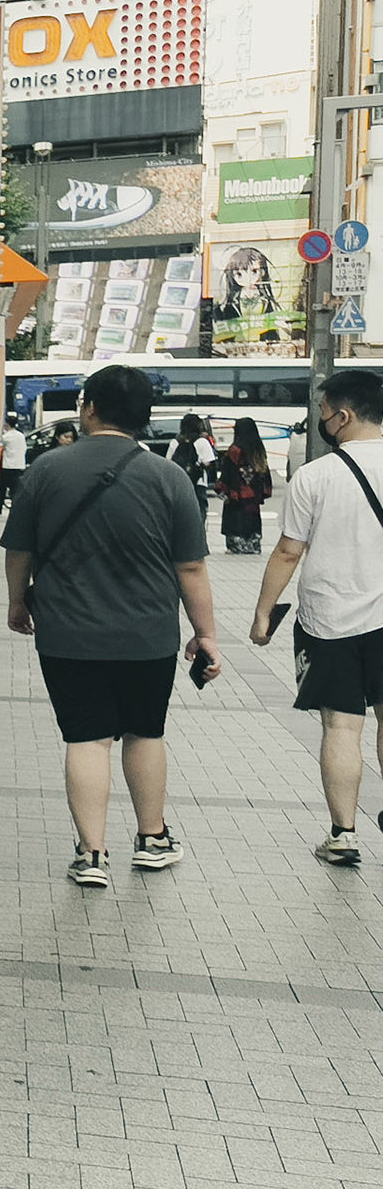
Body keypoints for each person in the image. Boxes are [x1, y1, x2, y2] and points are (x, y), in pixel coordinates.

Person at [1, 364, 220, 887]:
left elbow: (19, 549)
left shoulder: (47, 470)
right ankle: (151, 839)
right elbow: (190, 567)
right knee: (145, 733)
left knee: (86, 738)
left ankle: (92, 854)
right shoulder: (169, 478)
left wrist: (17, 602)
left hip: (66, 633)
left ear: (91, 408)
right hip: (147, 637)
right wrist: (206, 633)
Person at [250, 370, 383, 866]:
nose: (321, 421)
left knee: (343, 728)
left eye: (323, 413)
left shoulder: (315, 476)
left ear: (343, 416)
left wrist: (263, 614)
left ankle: (343, 834)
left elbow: (288, 552)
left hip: (330, 620)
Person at [217, 418, 273, 554]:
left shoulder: (235, 449)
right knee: (252, 517)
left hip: (238, 493)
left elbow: (229, 471)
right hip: (254, 493)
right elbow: (264, 471)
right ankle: (253, 544)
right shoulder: (258, 448)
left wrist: (223, 488)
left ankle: (238, 544)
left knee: (235, 517)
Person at [170, 413, 215, 512]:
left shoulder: (175, 442)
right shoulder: (202, 442)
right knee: (199, 512)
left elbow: (168, 462)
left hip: (179, 483)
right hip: (199, 482)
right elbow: (209, 463)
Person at [0, 413, 27, 512]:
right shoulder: (21, 436)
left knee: (1, 490)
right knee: (15, 491)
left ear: (7, 424)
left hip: (7, 466)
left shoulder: (6, 437)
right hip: (19, 466)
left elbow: (0, 448)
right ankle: (15, 510)